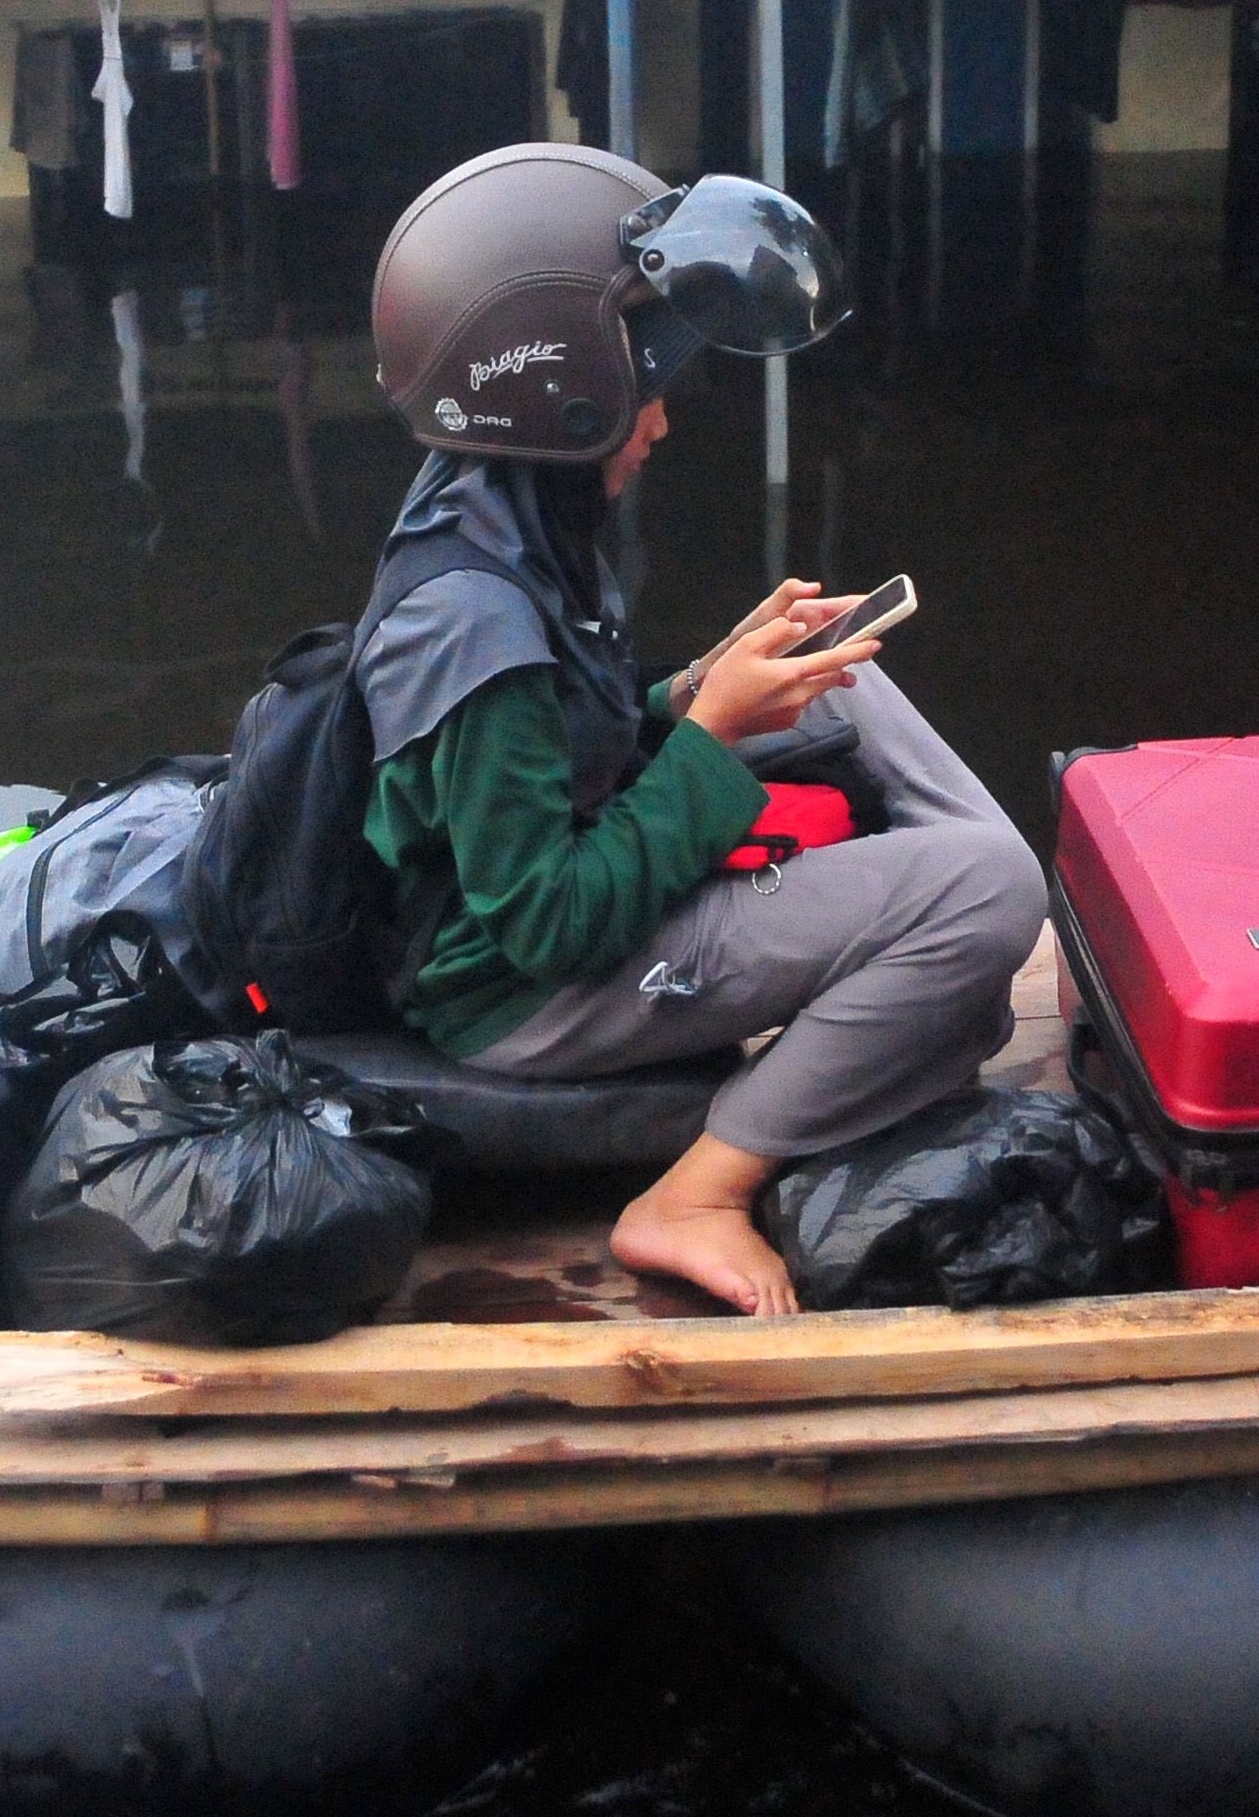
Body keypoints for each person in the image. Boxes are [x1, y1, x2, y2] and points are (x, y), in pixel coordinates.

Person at [358, 147, 1046, 1314]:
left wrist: (701, 689)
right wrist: (712, 733)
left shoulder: (507, 514)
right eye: (644, 383)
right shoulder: (469, 625)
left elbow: (571, 746)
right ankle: (692, 1197)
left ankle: (953, 937)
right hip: (518, 1000)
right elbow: (544, 921)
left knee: (838, 682)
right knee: (985, 889)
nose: (663, 417)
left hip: (562, 916)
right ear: (562, 391)